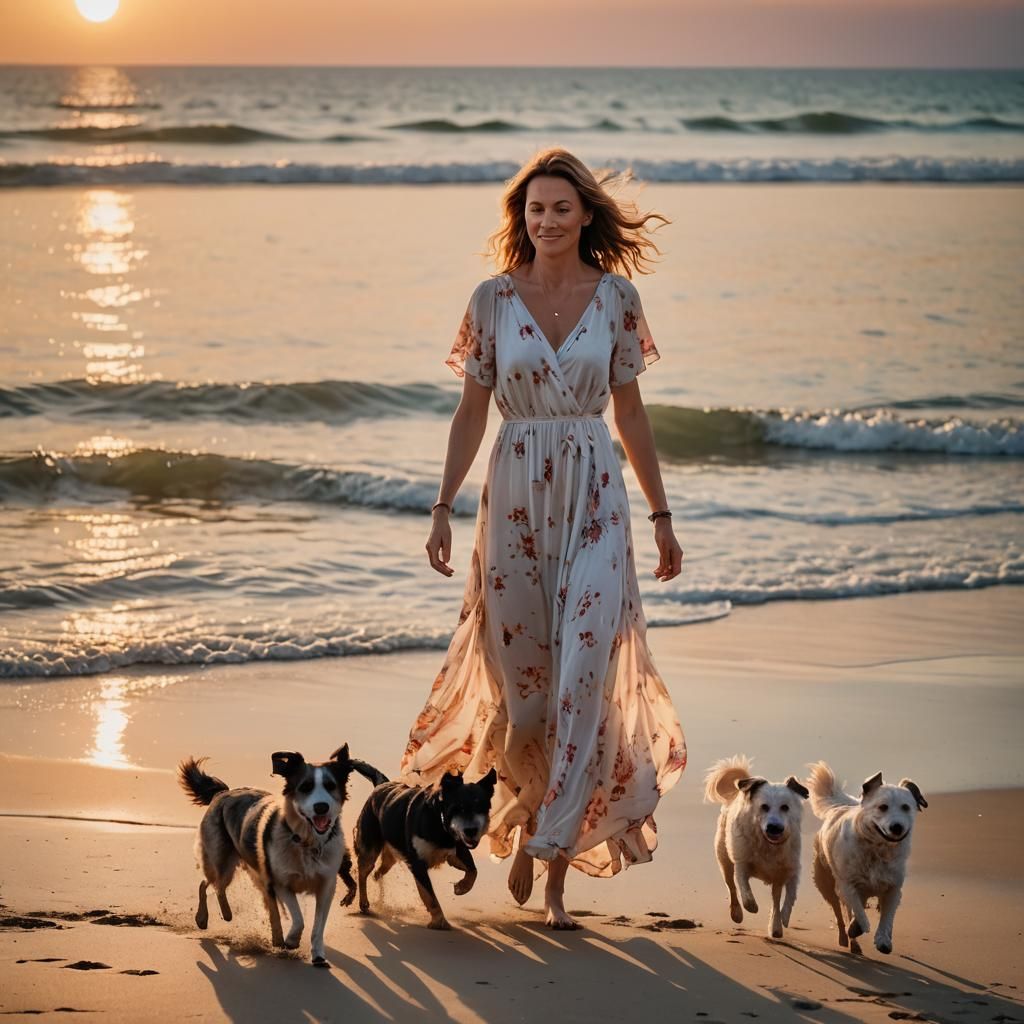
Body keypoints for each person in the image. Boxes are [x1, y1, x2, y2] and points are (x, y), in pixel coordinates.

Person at [401, 148, 686, 930]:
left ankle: (555, 866)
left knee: (584, 679)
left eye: (561, 208)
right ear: (519, 218)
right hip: (517, 498)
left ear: (586, 214)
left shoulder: (618, 298)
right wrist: (440, 507)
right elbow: (470, 413)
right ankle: (525, 812)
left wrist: (661, 516)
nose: (547, 221)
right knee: (527, 702)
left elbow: (629, 415)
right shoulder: (491, 299)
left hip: (596, 493)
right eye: (534, 210)